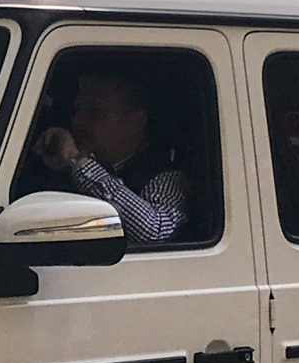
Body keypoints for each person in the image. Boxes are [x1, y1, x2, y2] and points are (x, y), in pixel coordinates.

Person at [32, 71, 189, 243]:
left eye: (94, 113)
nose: (77, 121)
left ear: (135, 122)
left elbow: (154, 232)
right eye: (77, 110)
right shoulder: (64, 167)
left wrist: (77, 161)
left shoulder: (163, 176)